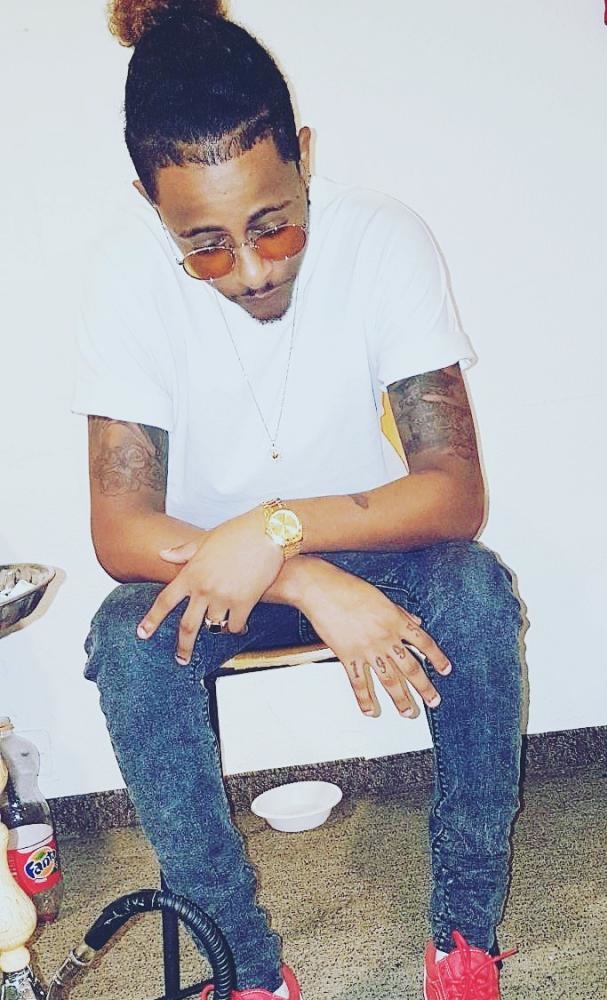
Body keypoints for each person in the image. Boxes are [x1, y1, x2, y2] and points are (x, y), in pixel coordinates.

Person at [74, 2, 525, 998]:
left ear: (305, 155)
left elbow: (453, 491)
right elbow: (121, 529)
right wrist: (298, 572)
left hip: (374, 552)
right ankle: (243, 967)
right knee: (126, 639)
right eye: (205, 245)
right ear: (151, 204)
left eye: (273, 224)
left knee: (475, 590)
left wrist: (280, 529)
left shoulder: (383, 240)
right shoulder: (124, 277)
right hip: (213, 574)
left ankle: (465, 935)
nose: (250, 271)